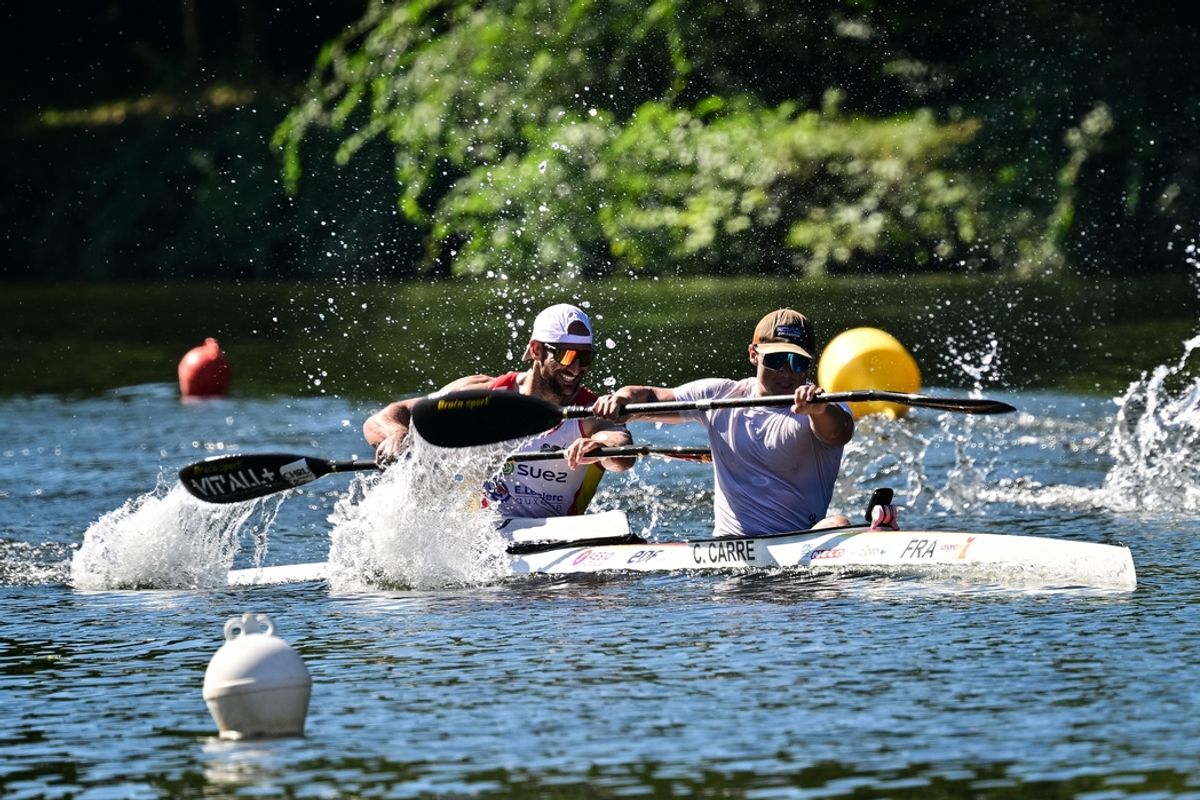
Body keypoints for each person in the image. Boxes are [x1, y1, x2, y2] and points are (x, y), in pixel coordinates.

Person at [592, 308, 883, 537]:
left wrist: (818, 410)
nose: (786, 372)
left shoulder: (823, 404)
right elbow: (653, 396)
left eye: (798, 362)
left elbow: (839, 433)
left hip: (799, 546)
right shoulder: (721, 395)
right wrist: (621, 398)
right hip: (729, 550)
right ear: (753, 355)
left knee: (838, 523)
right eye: (776, 359)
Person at [363, 303, 635, 517]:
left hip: (559, 536)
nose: (576, 368)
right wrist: (396, 434)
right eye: (566, 355)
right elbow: (386, 416)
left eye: (585, 357)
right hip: (484, 538)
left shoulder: (590, 412)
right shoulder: (482, 394)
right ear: (536, 350)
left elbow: (621, 451)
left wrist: (599, 446)